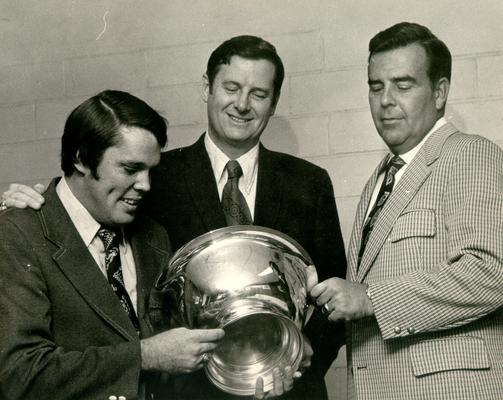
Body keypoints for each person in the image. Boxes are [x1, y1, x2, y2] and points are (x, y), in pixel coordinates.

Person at [1, 36, 346, 399]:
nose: (242, 104)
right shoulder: (156, 181)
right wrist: (32, 201)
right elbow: (73, 212)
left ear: (274, 103)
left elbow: (331, 295)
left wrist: (295, 358)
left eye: (259, 94)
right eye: (231, 87)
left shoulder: (309, 182)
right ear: (207, 88)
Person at [311, 22, 503, 400]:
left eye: (403, 85)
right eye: (375, 86)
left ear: (439, 92)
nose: (385, 100)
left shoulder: (471, 155)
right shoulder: (378, 182)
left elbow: (491, 271)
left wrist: (370, 298)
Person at [0, 90, 227, 400]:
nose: (145, 185)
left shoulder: (153, 236)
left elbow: (176, 360)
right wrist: (145, 356)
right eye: (130, 169)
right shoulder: (17, 233)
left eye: (150, 170)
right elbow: (19, 374)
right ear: (81, 159)